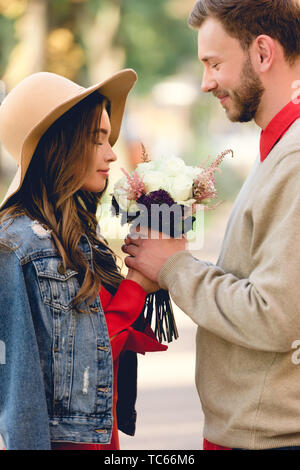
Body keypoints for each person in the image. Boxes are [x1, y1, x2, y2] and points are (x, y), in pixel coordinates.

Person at [122, 0, 300, 450]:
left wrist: (175, 267)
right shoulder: (280, 152)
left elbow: (274, 317)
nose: (206, 83)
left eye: (214, 63)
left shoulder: (294, 158)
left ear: (262, 53)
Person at [0, 70, 167, 450]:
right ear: (60, 144)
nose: (111, 153)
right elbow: (28, 386)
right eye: (97, 139)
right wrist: (135, 288)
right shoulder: (18, 245)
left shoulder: (75, 235)